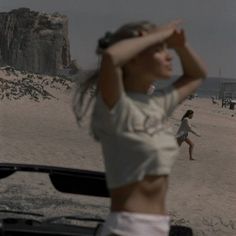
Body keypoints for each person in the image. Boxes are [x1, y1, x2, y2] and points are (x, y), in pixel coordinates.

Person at [73, 19, 207, 236]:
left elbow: (196, 75)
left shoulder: (157, 104)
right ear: (134, 58)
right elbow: (111, 58)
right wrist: (157, 35)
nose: (169, 56)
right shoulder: (116, 106)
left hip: (158, 228)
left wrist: (179, 43)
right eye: (158, 50)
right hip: (126, 229)